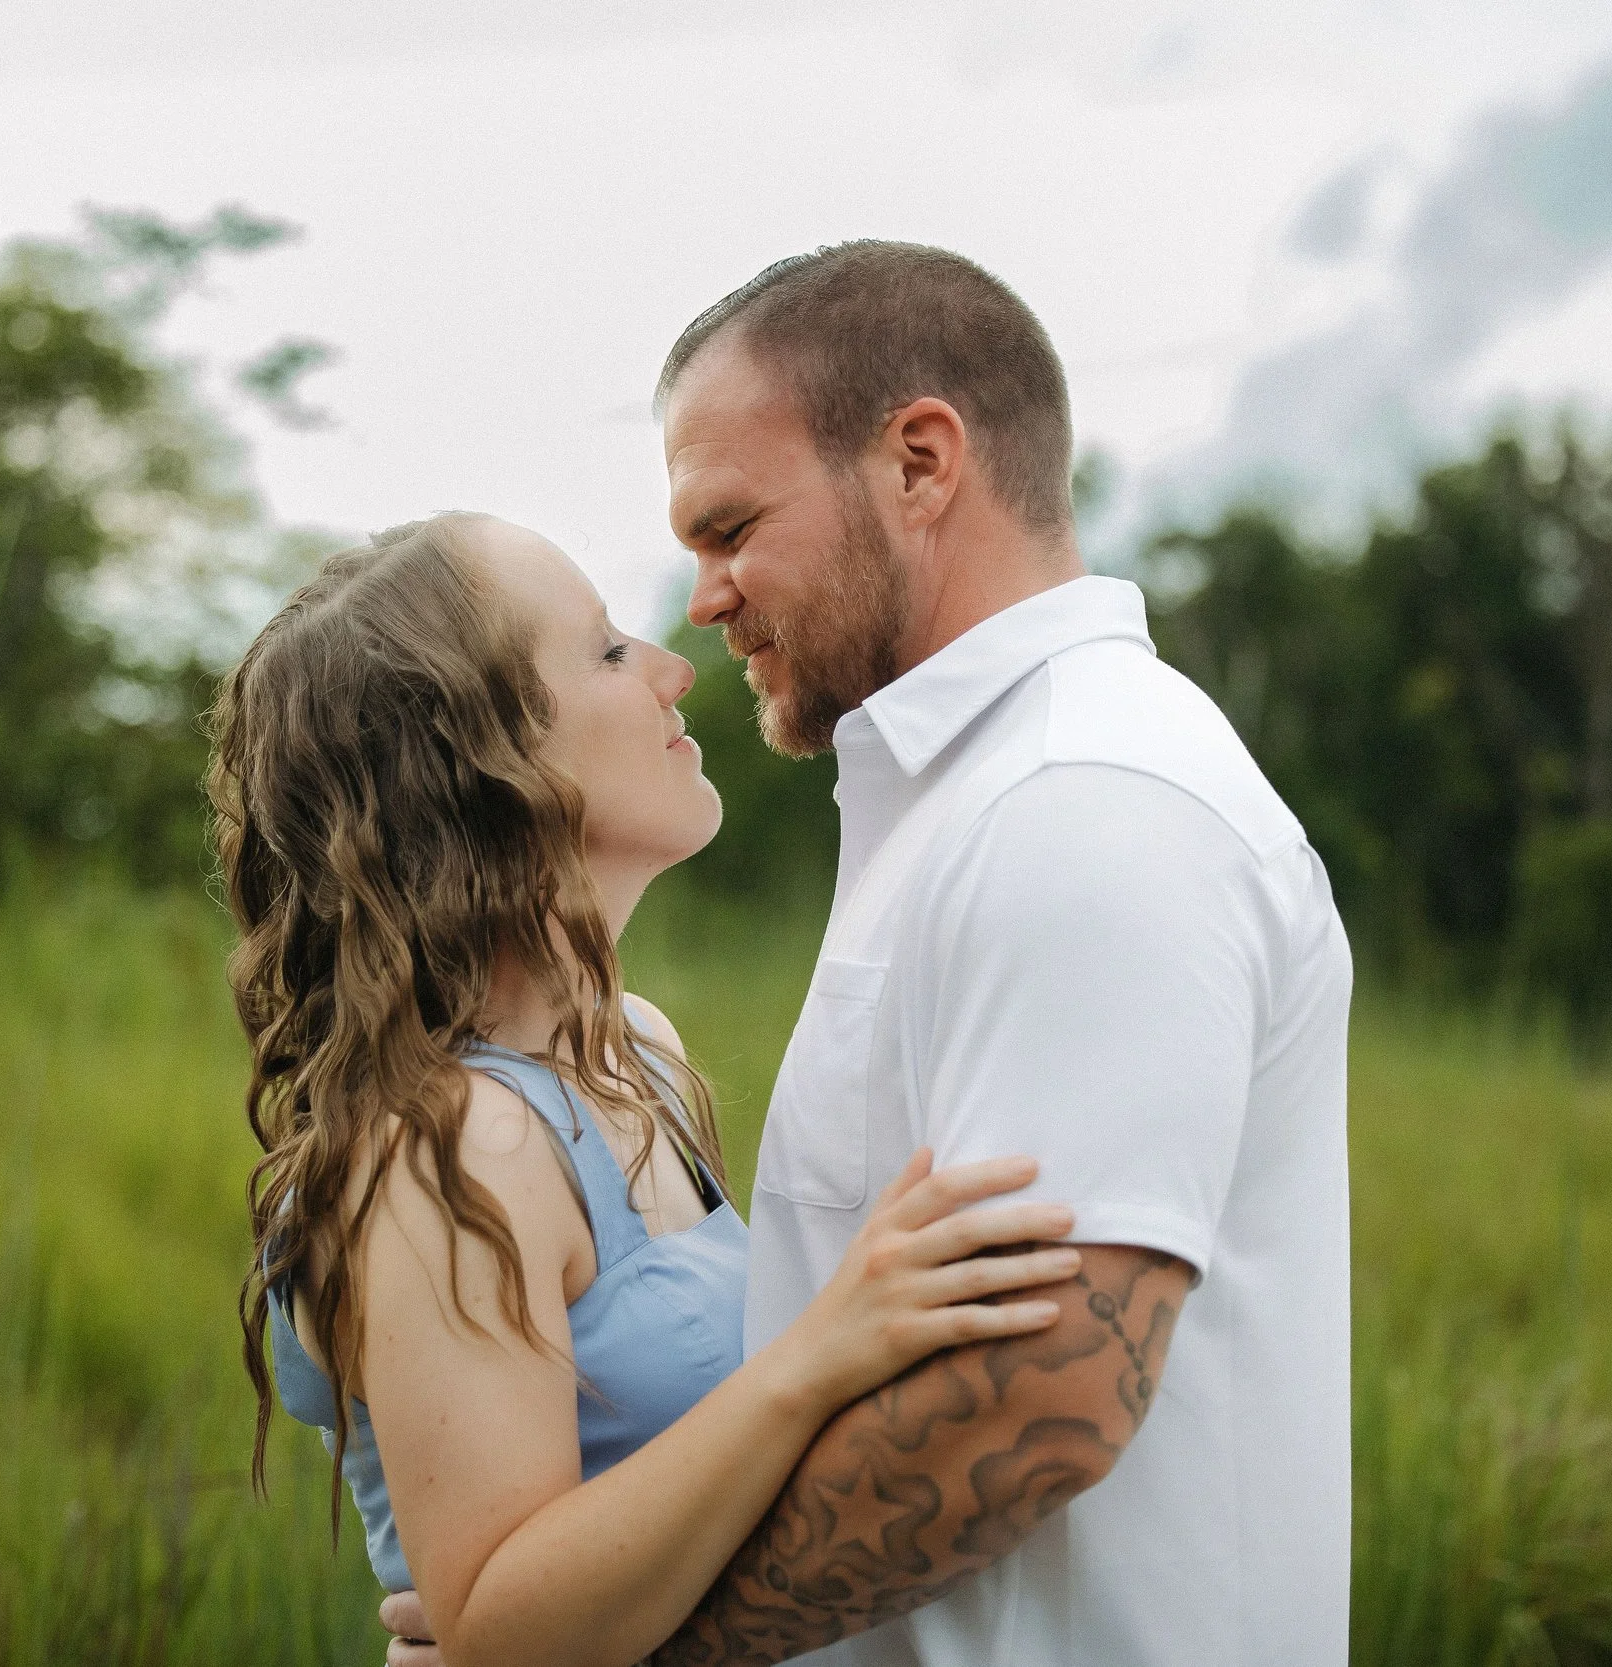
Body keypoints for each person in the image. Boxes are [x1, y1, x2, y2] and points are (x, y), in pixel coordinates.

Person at [389, 242, 1354, 1666]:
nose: (702, 599)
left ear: (918, 463)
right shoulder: (963, 801)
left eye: (729, 528)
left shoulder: (1082, 805)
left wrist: (640, 1651)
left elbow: (1043, 1393)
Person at [213, 512, 1086, 1667]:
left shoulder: (639, 1050)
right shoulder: (457, 1144)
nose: (678, 667)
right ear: (481, 766)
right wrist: (816, 1354)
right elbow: (499, 1632)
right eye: (611, 650)